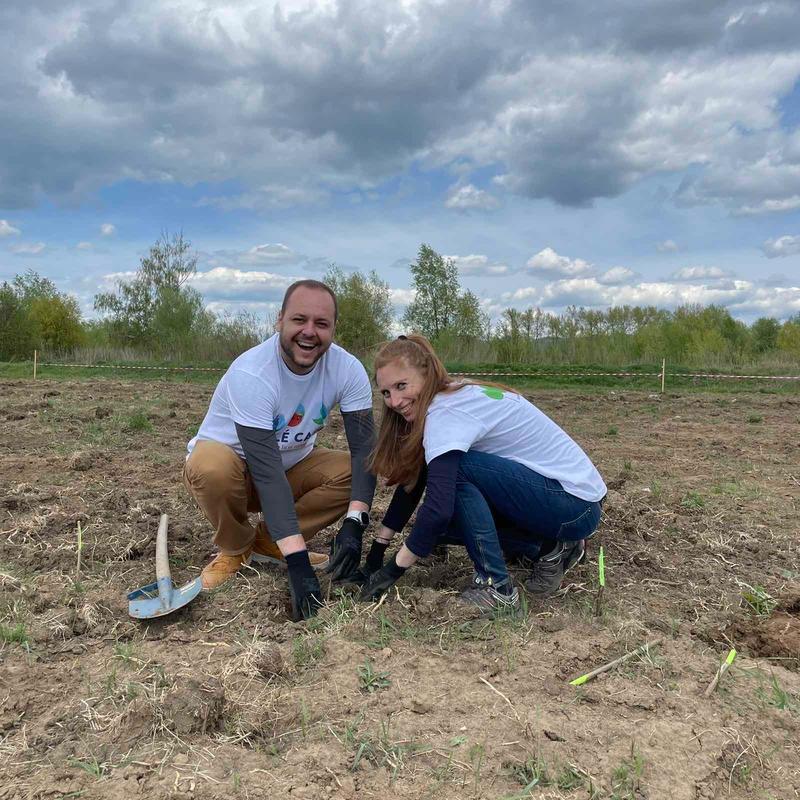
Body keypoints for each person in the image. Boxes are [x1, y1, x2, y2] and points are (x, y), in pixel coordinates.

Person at [358, 334, 606, 612]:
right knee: (440, 528)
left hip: (573, 505)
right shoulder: (452, 392)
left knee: (457, 477)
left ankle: (495, 586)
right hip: (568, 500)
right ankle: (550, 547)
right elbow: (414, 483)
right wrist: (376, 553)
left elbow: (437, 509)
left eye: (402, 385)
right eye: (386, 392)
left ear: (426, 374)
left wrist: (391, 572)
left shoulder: (445, 414)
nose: (394, 401)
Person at [184, 279, 376, 620]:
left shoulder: (348, 370)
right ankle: (235, 547)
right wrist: (299, 563)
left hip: (292, 466)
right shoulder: (253, 373)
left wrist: (354, 522)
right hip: (240, 471)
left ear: (333, 329)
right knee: (209, 466)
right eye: (299, 320)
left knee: (352, 471)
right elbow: (266, 473)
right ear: (279, 320)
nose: (309, 332)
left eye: (321, 324)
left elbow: (364, 452)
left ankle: (271, 542)